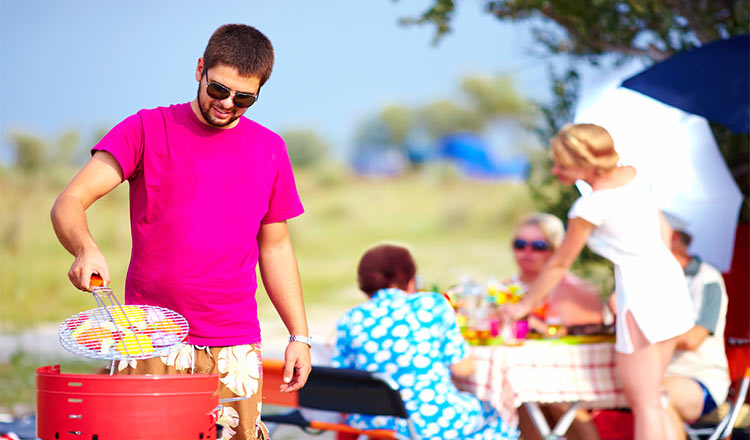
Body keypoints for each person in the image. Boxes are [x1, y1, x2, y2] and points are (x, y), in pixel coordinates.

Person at [50, 24, 311, 440]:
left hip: (235, 344)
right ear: (199, 70)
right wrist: (84, 248)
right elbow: (69, 202)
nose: (227, 104)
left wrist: (299, 335)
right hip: (149, 339)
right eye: (219, 89)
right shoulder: (146, 129)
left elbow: (276, 248)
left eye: (244, 98)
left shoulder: (270, 149)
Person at [501, 123, 694, 440]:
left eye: (562, 164)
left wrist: (522, 306)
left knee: (644, 403)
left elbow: (559, 264)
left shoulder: (589, 207)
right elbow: (666, 236)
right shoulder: (635, 177)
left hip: (641, 294)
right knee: (655, 398)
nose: (555, 171)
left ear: (584, 163)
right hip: (671, 286)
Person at [331, 244, 518, 440]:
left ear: (364, 286)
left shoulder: (349, 319)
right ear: (411, 281)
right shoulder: (432, 305)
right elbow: (463, 369)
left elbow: (344, 388)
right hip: (432, 422)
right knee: (492, 413)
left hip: (375, 428)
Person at [507, 212, 605, 440]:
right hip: (520, 378)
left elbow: (588, 338)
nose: (527, 252)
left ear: (556, 250)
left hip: (570, 381)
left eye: (538, 246)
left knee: (540, 398)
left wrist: (536, 327)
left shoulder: (575, 292)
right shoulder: (505, 290)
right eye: (520, 244)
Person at [661, 213, 730, 437]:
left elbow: (693, 339)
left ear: (672, 237)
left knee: (654, 395)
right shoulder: (652, 280)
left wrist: (644, 334)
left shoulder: (706, 279)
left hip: (702, 380)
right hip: (656, 373)